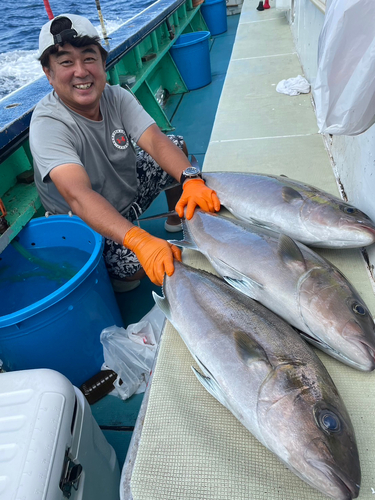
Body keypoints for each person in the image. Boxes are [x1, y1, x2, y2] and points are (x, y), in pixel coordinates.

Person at [29, 13, 221, 292]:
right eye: (66, 62)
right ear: (49, 73)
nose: (81, 71)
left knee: (176, 147)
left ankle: (174, 219)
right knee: (134, 271)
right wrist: (139, 240)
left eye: (89, 58)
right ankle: (121, 267)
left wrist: (191, 178)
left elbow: (155, 141)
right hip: (87, 223)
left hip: (125, 193)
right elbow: (78, 196)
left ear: (103, 63)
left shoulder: (116, 96)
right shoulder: (48, 124)